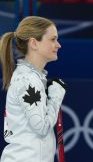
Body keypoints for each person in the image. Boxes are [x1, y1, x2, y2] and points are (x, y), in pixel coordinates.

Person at [0, 16, 67, 162]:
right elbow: (41, 128)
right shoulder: (27, 80)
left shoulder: (31, 78)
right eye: (53, 39)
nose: (58, 45)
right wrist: (56, 97)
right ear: (34, 43)